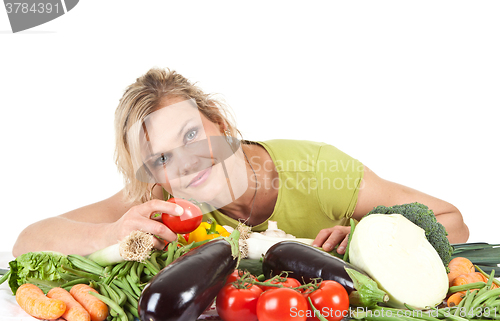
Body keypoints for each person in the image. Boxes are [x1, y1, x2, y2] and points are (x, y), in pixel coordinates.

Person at [12, 68, 469, 257]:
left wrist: (370, 238)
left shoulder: (320, 172)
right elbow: (29, 241)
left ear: (219, 123)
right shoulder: (161, 199)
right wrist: (114, 233)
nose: (188, 163)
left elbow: (452, 221)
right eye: (163, 158)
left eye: (191, 134)